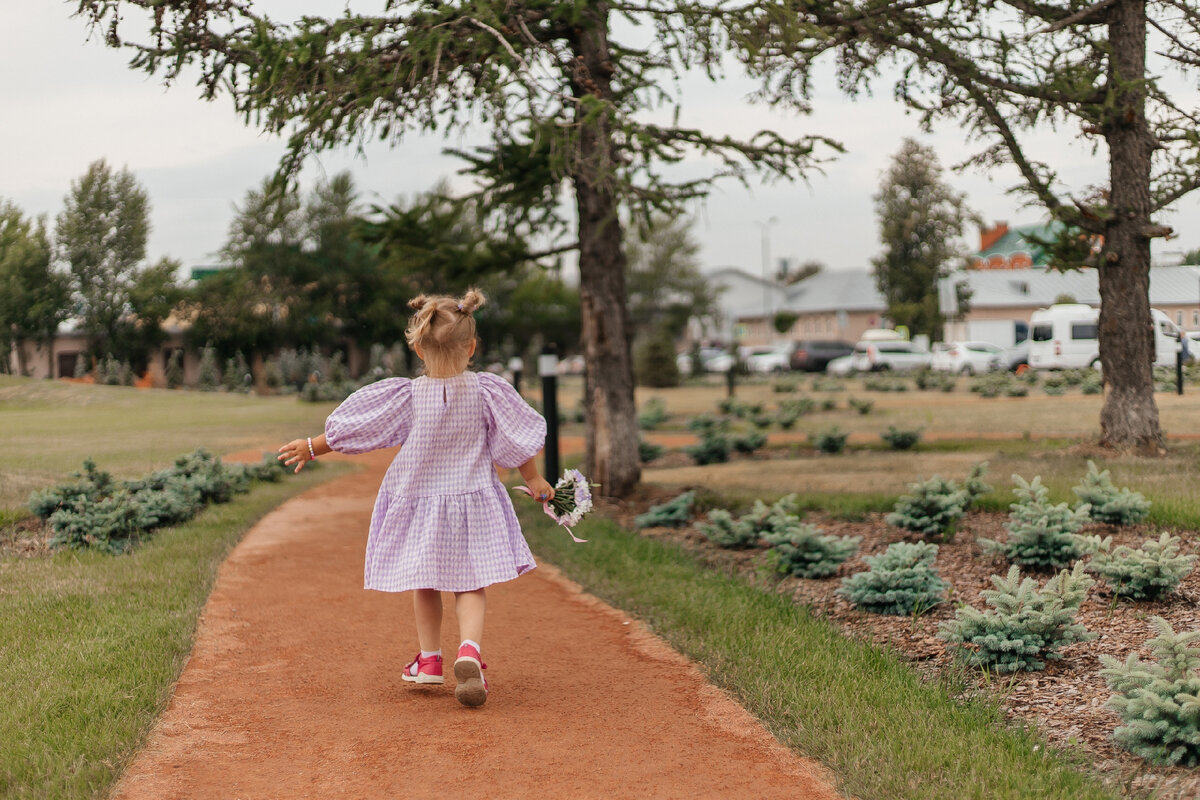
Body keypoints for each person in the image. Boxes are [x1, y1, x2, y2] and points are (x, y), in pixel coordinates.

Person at [278, 289, 554, 708]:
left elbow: (362, 427)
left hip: (420, 502)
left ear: (419, 350)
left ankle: (429, 661)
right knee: (471, 584)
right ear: (472, 346)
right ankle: (470, 652)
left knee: (424, 581)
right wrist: (533, 479)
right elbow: (518, 439)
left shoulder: (407, 396)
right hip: (472, 501)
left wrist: (313, 446)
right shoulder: (487, 391)